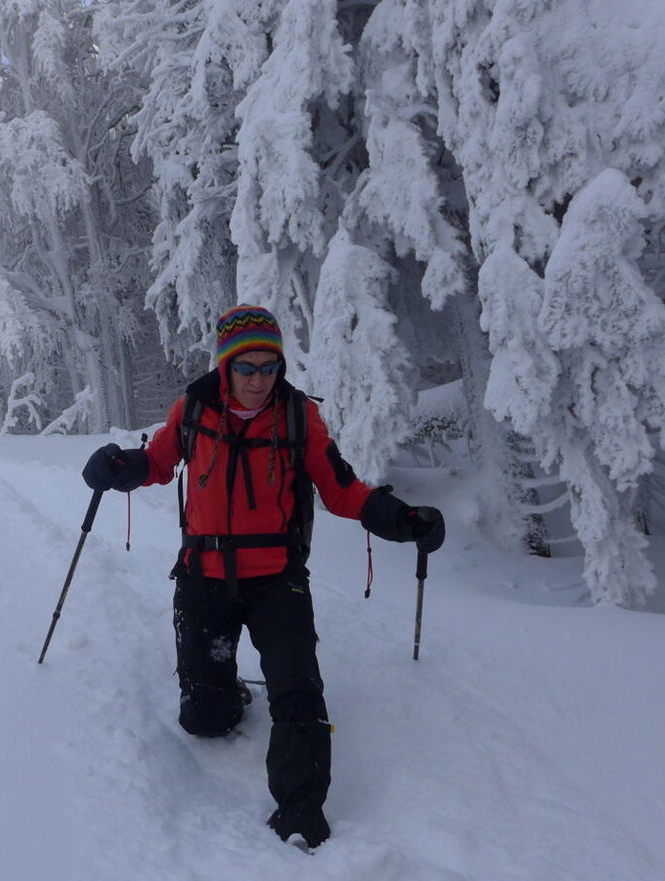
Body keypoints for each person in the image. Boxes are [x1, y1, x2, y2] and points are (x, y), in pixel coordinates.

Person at [80, 304, 446, 850]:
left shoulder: (300, 418)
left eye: (268, 367)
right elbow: (156, 463)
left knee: (298, 692)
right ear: (226, 367)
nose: (258, 381)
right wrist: (118, 468)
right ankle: (226, 696)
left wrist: (402, 519)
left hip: (278, 578)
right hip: (203, 576)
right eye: (246, 368)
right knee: (205, 720)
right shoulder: (195, 410)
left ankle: (300, 814)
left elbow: (341, 488)